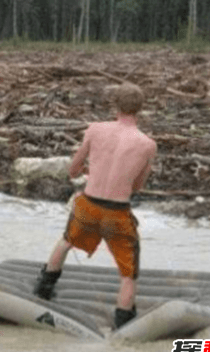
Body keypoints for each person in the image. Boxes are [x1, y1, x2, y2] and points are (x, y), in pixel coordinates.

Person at [32, 83, 157, 330]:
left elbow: (73, 169)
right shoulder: (148, 144)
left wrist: (93, 172)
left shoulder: (95, 129)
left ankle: (42, 291)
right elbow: (138, 186)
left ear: (115, 105)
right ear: (140, 109)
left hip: (89, 205)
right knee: (128, 274)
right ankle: (122, 324)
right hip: (118, 212)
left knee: (66, 242)